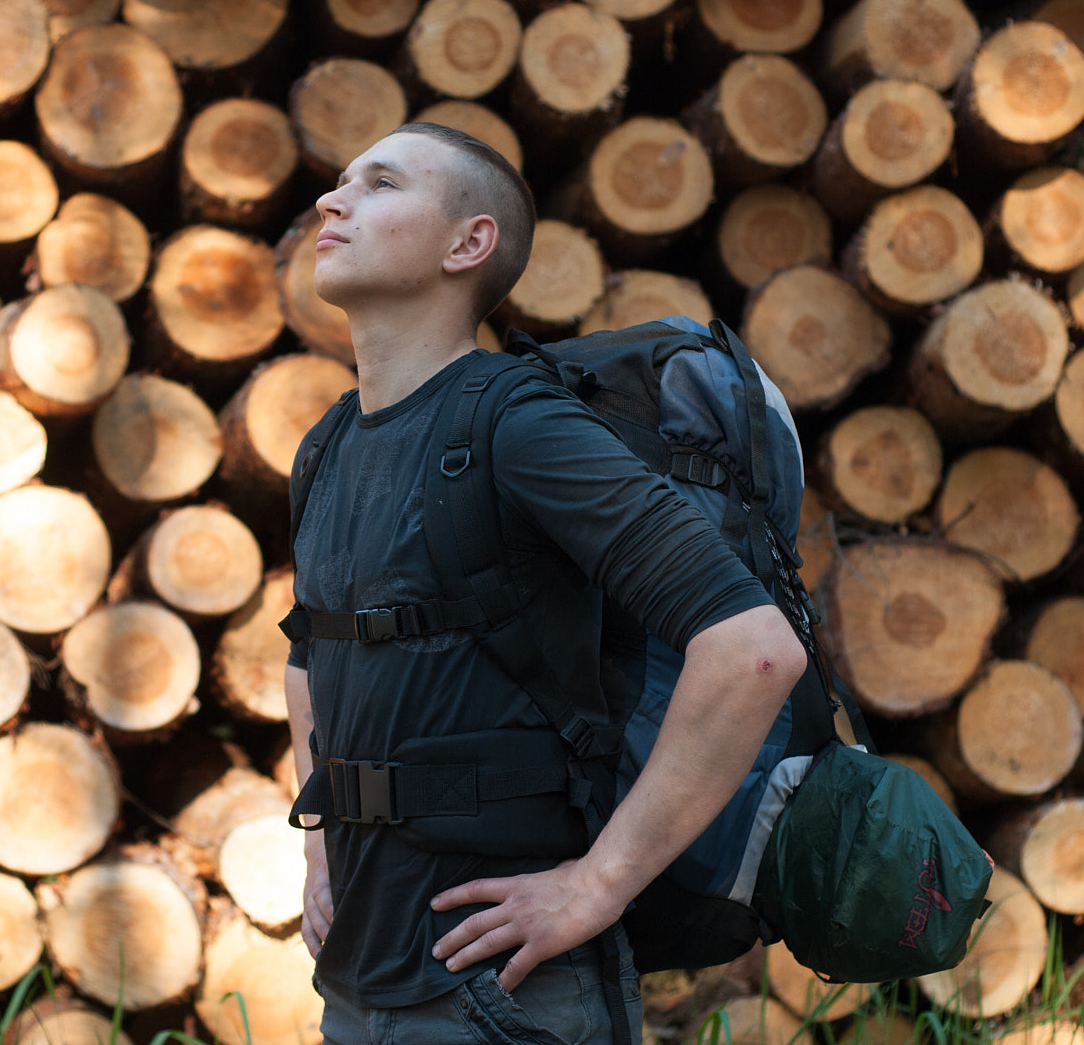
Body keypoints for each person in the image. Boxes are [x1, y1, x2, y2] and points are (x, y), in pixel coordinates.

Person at [284, 121, 807, 1044]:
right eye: (339, 183)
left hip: (503, 996)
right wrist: (323, 853)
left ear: (468, 242)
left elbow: (754, 649)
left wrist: (597, 883)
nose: (333, 200)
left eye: (379, 183)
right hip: (356, 984)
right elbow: (310, 653)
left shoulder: (518, 426)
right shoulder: (327, 445)